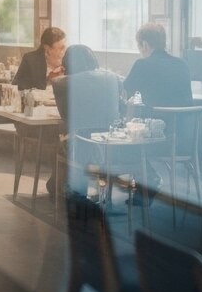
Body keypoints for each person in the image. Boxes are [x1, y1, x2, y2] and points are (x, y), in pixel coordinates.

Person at [53, 44, 123, 197]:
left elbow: (66, 117)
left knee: (58, 139)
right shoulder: (113, 78)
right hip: (110, 145)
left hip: (80, 146)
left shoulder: (61, 83)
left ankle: (59, 188)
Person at [122, 23, 193, 108]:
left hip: (155, 119)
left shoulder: (142, 65)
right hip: (181, 120)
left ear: (145, 45)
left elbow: (125, 92)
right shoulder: (182, 64)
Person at [14, 26, 66, 91]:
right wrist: (48, 81)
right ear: (47, 48)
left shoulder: (68, 60)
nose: (64, 51)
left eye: (64, 47)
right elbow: (17, 86)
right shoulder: (30, 60)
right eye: (61, 48)